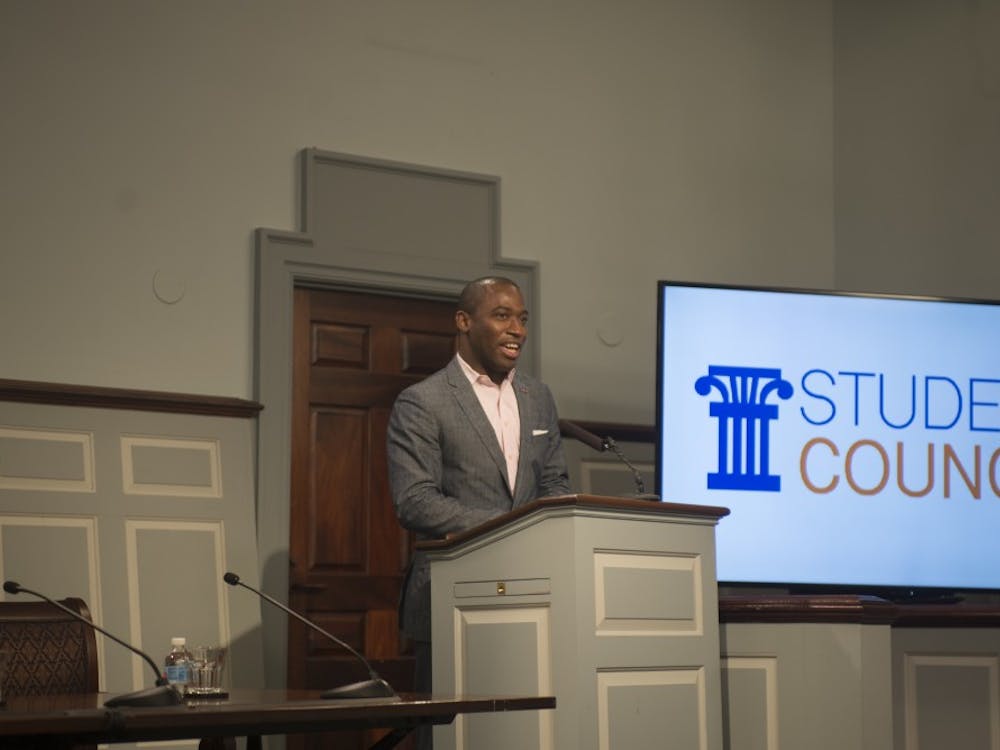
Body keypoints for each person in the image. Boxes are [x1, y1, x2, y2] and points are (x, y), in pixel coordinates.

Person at [387, 276, 570, 743]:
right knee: (451, 737)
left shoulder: (538, 397)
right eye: (502, 315)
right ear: (464, 322)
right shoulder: (422, 402)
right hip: (452, 595)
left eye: (523, 319)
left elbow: (554, 485)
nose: (518, 330)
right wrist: (512, 529)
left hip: (534, 596)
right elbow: (416, 500)